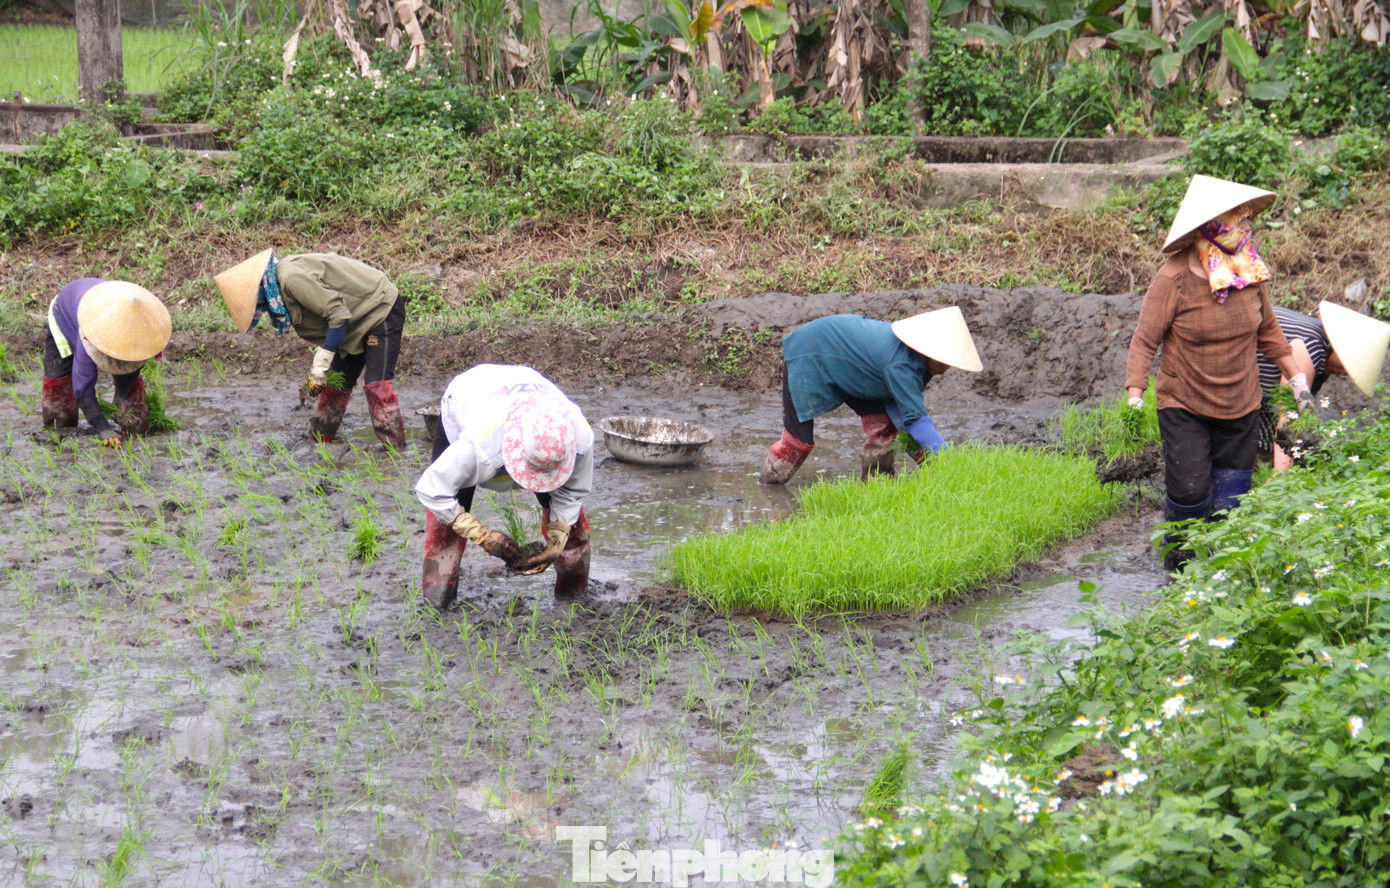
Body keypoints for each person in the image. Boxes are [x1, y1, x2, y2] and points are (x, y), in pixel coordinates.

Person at [1124, 175, 1308, 570]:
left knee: (1231, 497)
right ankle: (1180, 566)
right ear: (1212, 226)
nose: (1245, 226)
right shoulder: (1172, 279)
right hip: (1184, 402)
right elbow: (1144, 341)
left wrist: (1298, 381)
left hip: (1242, 403)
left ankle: (1222, 573)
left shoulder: (1248, 273)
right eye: (1236, 218)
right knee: (1191, 492)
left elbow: (1270, 333)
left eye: (1245, 219)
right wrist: (1136, 392)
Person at [414, 364, 594, 609]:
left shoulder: (580, 436)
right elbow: (431, 489)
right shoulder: (479, 445)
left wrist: (559, 535)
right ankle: (439, 602)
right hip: (472, 392)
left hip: (528, 388)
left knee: (572, 528)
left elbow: (572, 492)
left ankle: (573, 601)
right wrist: (481, 535)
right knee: (446, 521)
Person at [759, 306, 983, 484]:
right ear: (928, 350)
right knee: (799, 441)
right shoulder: (900, 365)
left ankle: (877, 486)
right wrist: (952, 461)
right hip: (811, 351)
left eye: (950, 363)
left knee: (884, 427)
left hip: (855, 368)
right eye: (943, 360)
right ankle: (770, 484)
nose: (946, 367)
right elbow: (916, 421)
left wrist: (930, 460)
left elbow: (901, 415)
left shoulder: (919, 363)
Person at [214, 249, 406, 447]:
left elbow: (338, 314)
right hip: (351, 322)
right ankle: (319, 443)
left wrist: (321, 362)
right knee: (334, 384)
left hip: (379, 309)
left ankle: (395, 450)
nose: (258, 310)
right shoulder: (279, 289)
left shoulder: (291, 277)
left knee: (377, 385)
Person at [1255, 301, 1390, 470]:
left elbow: (1298, 412)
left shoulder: (1321, 346)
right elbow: (1288, 415)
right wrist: (1280, 474)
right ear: (1341, 347)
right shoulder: (1311, 346)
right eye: (1345, 366)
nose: (1344, 372)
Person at [40, 279, 171, 446]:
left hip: (115, 307)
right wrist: (102, 427)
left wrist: (122, 394)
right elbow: (82, 387)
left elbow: (134, 363)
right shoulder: (89, 333)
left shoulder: (144, 328)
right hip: (65, 309)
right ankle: (59, 429)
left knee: (128, 364)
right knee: (59, 376)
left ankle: (135, 425)